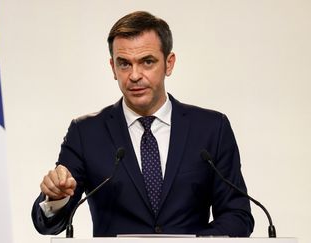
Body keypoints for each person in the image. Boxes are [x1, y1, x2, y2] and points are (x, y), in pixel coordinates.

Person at [31, 11, 254, 237]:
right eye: (124, 64)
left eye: (147, 62)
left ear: (169, 63)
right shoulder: (85, 133)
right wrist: (56, 198)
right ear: (113, 68)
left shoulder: (211, 128)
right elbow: (50, 224)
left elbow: (237, 216)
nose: (135, 75)